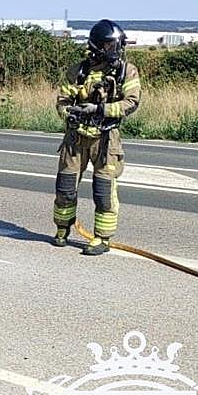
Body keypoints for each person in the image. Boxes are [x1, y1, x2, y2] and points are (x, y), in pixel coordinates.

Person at [52, 19, 142, 255]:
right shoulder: (78, 71)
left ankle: (102, 238)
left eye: (118, 46)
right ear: (99, 46)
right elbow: (62, 101)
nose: (117, 51)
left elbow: (131, 102)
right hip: (76, 139)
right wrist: (69, 115)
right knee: (65, 186)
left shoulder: (126, 71)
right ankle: (63, 228)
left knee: (103, 190)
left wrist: (100, 110)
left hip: (106, 139)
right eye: (112, 46)